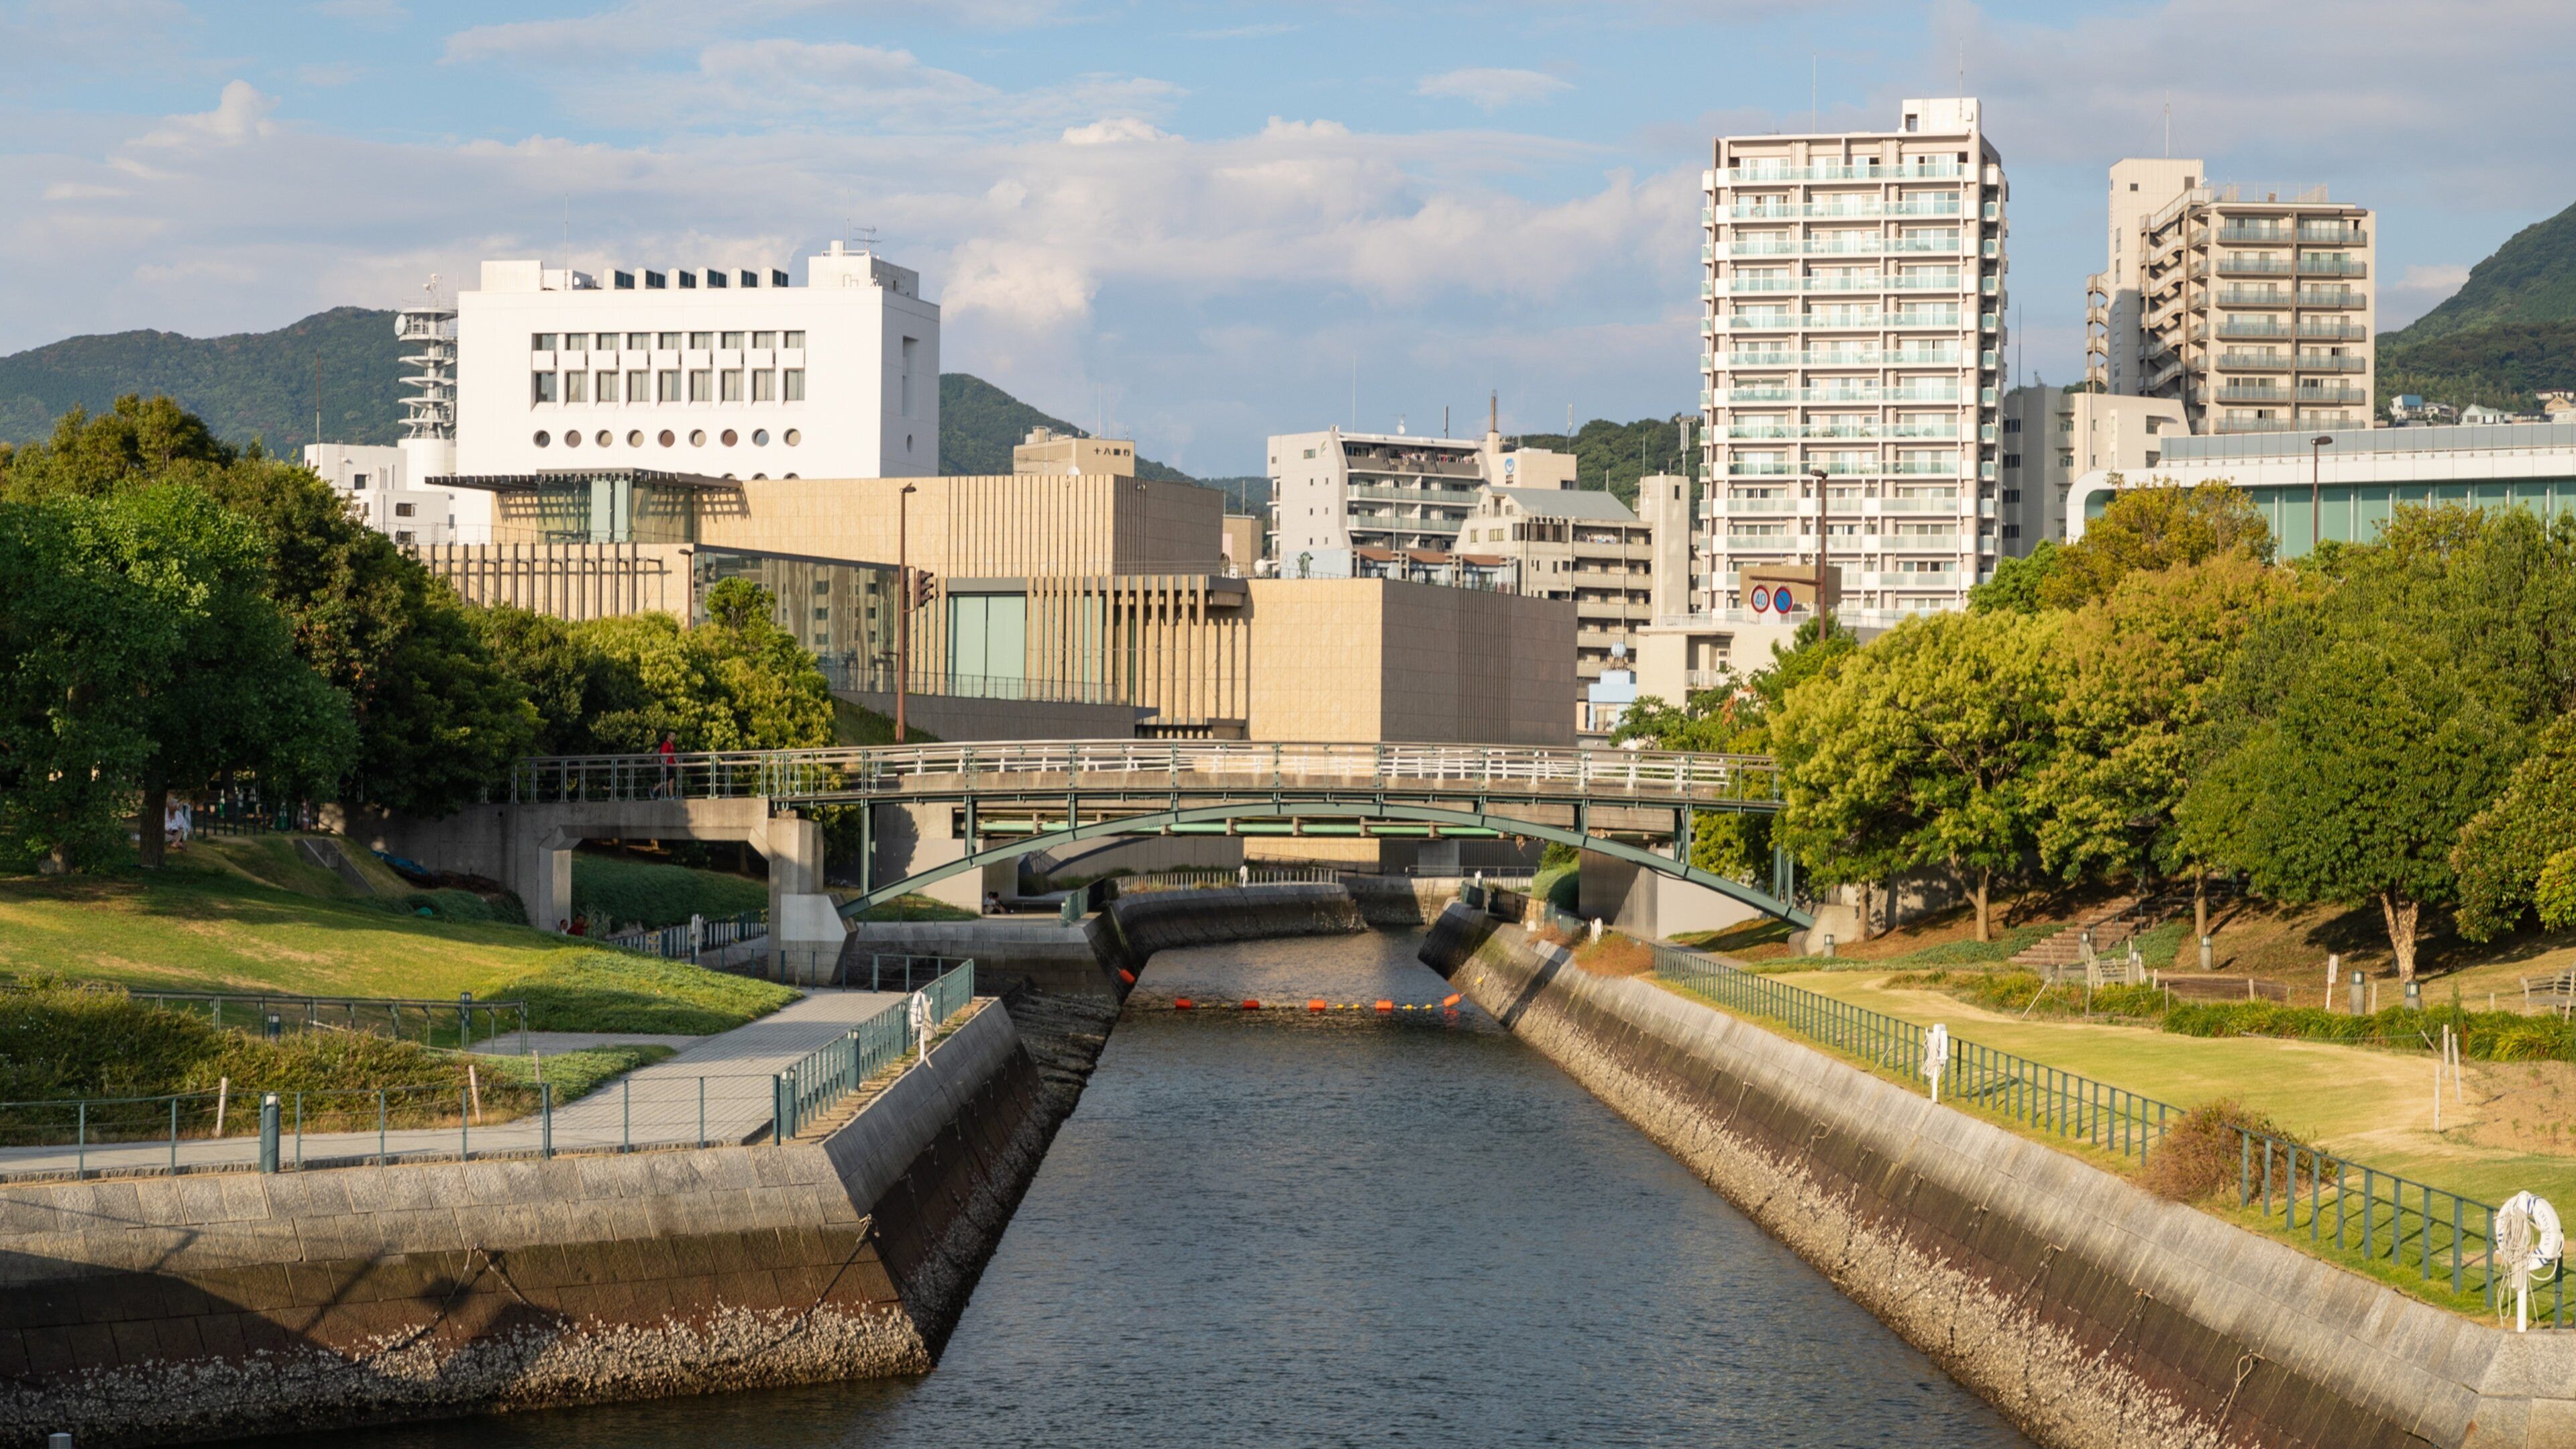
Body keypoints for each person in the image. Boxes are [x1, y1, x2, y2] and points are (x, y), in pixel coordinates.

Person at [655, 731, 678, 798]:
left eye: (675, 736)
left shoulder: (671, 745)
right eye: (672, 736)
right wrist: (662, 766)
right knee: (671, 780)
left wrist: (677, 763)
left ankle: (654, 790)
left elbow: (673, 755)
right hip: (667, 765)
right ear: (668, 736)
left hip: (670, 765)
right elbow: (663, 755)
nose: (674, 738)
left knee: (668, 781)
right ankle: (671, 796)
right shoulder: (666, 744)